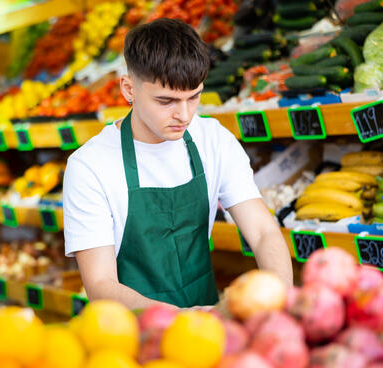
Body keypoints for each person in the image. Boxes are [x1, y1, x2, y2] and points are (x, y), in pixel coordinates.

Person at [63, 18, 293, 309]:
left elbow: (263, 232)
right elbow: (100, 285)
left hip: (206, 322)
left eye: (194, 96)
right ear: (128, 89)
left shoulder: (213, 140)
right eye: (166, 101)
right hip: (128, 333)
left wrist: (283, 299)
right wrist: (181, 319)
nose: (184, 115)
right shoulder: (90, 166)